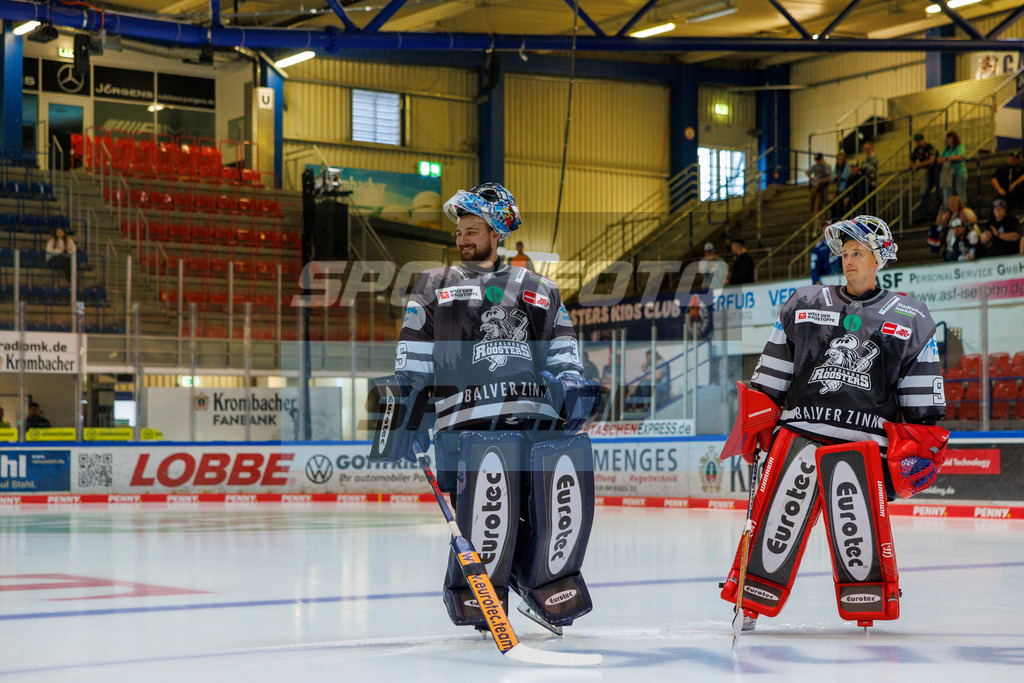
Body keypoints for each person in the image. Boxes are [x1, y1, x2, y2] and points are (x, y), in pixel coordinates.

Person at [369, 182, 602, 636]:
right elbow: (412, 359)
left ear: (497, 233)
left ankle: (543, 586)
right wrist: (407, 410)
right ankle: (482, 600)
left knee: (546, 513)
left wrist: (572, 387)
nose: (463, 239)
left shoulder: (539, 289)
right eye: (460, 231)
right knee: (484, 515)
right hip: (461, 427)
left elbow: (563, 354)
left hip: (533, 426)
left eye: (472, 230)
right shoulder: (433, 285)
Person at [720, 215, 948, 632]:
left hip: (864, 447)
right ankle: (749, 603)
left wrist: (918, 447)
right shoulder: (805, 303)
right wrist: (756, 425)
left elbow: (922, 402)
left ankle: (867, 610)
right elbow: (770, 377)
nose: (848, 260)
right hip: (799, 436)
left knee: (858, 535)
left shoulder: (911, 317)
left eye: (858, 252)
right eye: (844, 253)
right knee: (775, 524)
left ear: (879, 260)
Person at [932, 195, 977, 259]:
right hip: (949, 245)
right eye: (951, 204)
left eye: (954, 203)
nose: (952, 205)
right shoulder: (948, 215)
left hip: (960, 241)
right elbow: (938, 224)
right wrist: (940, 213)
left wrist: (963, 219)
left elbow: (973, 219)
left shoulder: (964, 211)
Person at [909, 133, 939, 222]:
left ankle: (936, 213)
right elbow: (911, 161)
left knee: (938, 194)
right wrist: (914, 166)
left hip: (936, 172)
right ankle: (922, 215)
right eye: (917, 141)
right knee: (924, 193)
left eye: (920, 140)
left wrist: (918, 165)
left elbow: (931, 160)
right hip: (928, 174)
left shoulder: (929, 147)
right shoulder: (917, 150)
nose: (918, 142)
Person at [938, 131, 968, 205]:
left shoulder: (960, 147)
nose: (949, 140)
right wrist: (950, 158)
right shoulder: (946, 149)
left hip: (959, 171)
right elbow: (940, 159)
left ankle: (962, 207)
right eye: (947, 139)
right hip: (948, 173)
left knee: (960, 191)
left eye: (950, 138)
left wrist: (947, 159)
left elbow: (959, 156)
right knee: (947, 191)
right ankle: (947, 208)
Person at [861, 142, 879, 214]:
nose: (867, 150)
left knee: (873, 204)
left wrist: (865, 167)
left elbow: (872, 169)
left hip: (872, 183)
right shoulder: (864, 160)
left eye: (868, 148)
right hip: (865, 184)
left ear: (872, 149)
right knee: (865, 204)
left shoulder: (874, 159)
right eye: (866, 148)